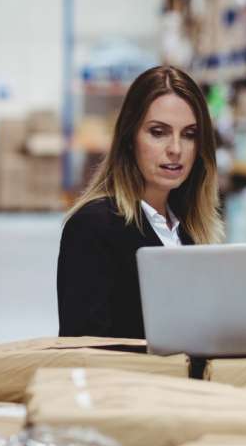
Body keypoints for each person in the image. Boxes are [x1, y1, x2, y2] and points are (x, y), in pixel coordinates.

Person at [57, 65, 224, 339]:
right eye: (158, 132)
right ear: (129, 138)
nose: (176, 149)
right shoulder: (94, 226)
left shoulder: (192, 230)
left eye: (189, 134)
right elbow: (83, 350)